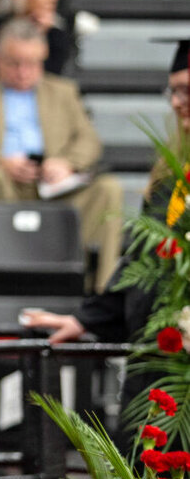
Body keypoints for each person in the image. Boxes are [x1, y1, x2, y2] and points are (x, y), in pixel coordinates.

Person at [22, 38, 189, 358]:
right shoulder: (171, 176)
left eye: (188, 90)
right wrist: (85, 319)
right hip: (160, 356)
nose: (178, 102)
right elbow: (141, 260)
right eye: (174, 91)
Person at [0, 17, 122, 292]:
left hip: (54, 186)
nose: (23, 71)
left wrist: (67, 163)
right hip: (4, 182)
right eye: (14, 63)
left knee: (108, 189)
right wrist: (0, 160)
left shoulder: (64, 92)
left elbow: (89, 141)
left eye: (31, 64)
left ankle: (101, 292)